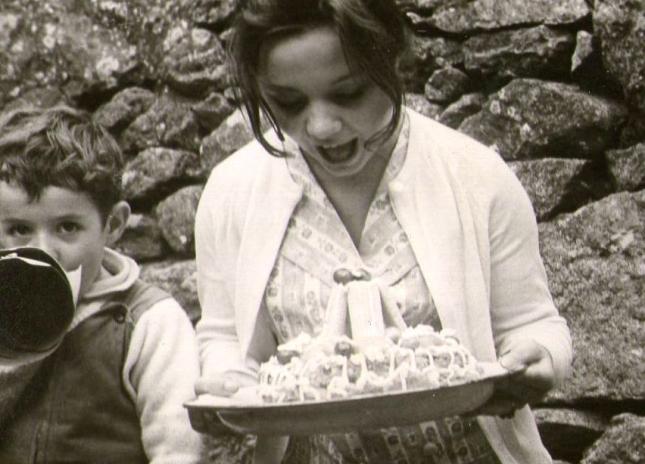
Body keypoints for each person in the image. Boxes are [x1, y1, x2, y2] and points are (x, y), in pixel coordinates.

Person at [193, 1, 573, 463]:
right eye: (288, 102)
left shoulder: (476, 175)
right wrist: (227, 384)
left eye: (349, 93)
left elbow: (533, 324)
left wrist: (538, 358)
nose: (321, 126)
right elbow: (224, 337)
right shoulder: (232, 192)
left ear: (394, 61)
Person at [0, 105, 204, 463]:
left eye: (67, 227)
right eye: (19, 229)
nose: (42, 251)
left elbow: (179, 453)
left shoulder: (150, 323)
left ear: (113, 224)